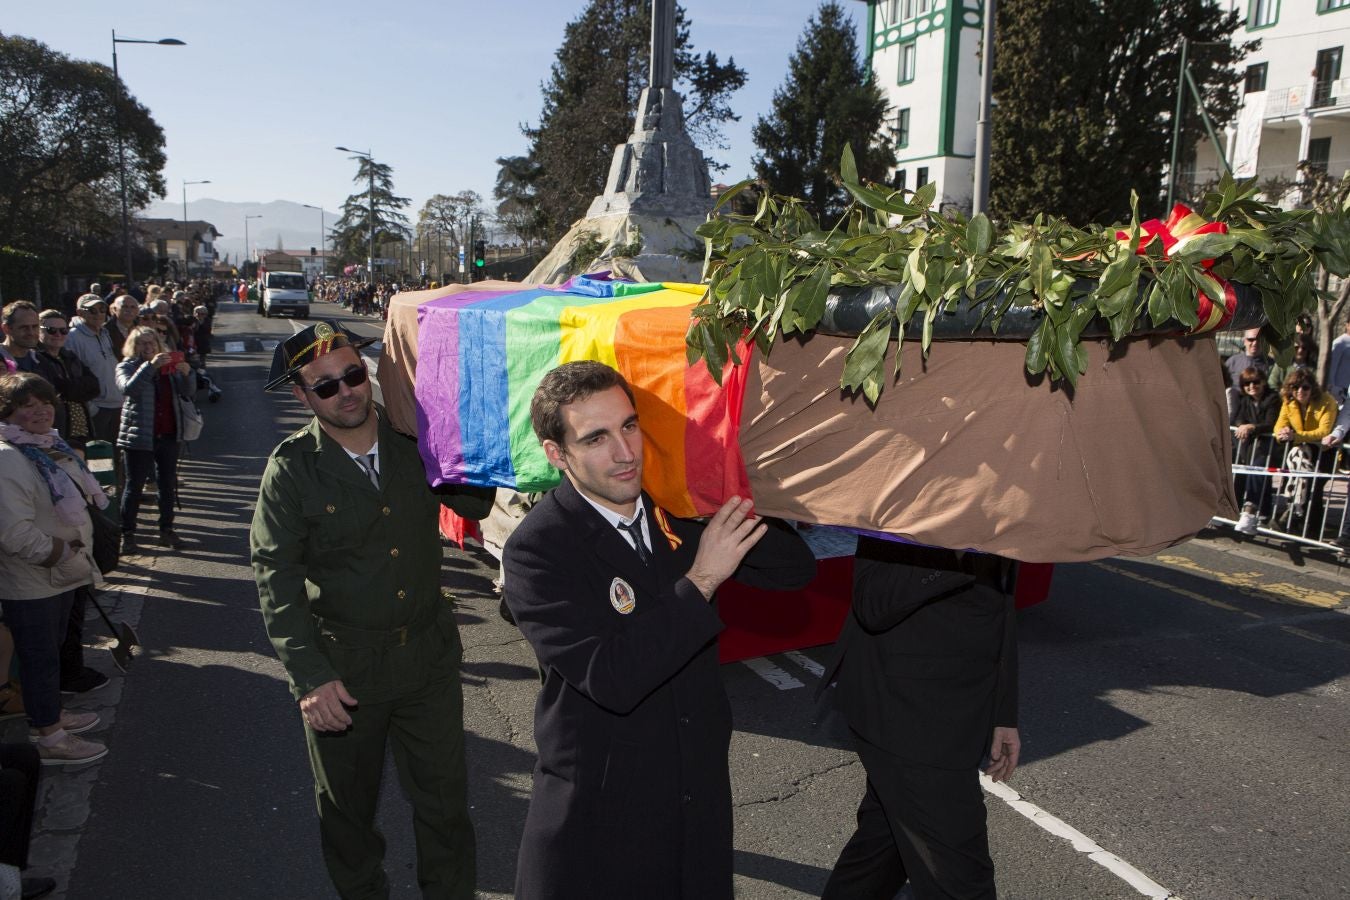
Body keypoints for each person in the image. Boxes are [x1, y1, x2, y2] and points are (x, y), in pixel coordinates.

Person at [502, 361, 816, 900]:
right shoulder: (538, 550)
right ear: (558, 454)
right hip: (602, 820)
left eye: (629, 426)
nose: (625, 452)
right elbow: (611, 676)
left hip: (695, 803)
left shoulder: (676, 509)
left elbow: (794, 572)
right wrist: (702, 580)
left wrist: (736, 482)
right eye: (596, 438)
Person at [250, 321, 487, 900]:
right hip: (345, 672)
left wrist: (459, 437)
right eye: (325, 386)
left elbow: (474, 502)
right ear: (302, 396)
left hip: (426, 661)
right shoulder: (292, 469)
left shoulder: (415, 439)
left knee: (445, 808)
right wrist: (310, 677)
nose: (346, 391)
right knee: (347, 815)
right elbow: (274, 577)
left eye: (354, 374)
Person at [821, 539, 1019, 900]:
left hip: (962, 711)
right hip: (906, 713)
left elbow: (1000, 607)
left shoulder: (1003, 498)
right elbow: (872, 602)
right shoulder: (904, 498)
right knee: (960, 877)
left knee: (882, 854)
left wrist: (1004, 712)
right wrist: (958, 550)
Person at [0, 373, 109, 766]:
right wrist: (60, 552)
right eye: (27, 405)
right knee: (39, 659)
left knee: (50, 655)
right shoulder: (7, 456)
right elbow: (12, 532)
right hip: (34, 579)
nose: (40, 410)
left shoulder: (44, 445)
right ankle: (51, 740)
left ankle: (48, 719)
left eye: (44, 402)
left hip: (59, 575)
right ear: (8, 413)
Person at [114, 325, 194, 552]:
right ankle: (127, 533)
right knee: (134, 486)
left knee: (167, 485)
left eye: (152, 343)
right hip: (139, 435)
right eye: (142, 343)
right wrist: (149, 367)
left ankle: (166, 529)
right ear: (134, 346)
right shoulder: (127, 366)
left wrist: (188, 373)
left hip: (168, 433)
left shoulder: (168, 367)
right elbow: (129, 389)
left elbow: (187, 392)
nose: (148, 347)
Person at [1273, 370, 1339, 535]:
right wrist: (1283, 433)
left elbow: (1323, 431)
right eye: (1295, 387)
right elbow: (1279, 425)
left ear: (1312, 388)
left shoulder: (1327, 401)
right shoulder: (1288, 402)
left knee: (1314, 490)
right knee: (1297, 484)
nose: (1300, 391)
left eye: (1305, 387)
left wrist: (1295, 436)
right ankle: (1294, 519)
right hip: (1299, 452)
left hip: (1323, 451)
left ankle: (1311, 529)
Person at [34, 311, 100, 454]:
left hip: (82, 430)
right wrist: (72, 387)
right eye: (51, 330)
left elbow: (95, 387)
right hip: (56, 431)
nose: (58, 335)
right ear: (38, 331)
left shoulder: (70, 357)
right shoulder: (35, 359)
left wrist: (67, 387)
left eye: (63, 331)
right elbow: (51, 391)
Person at [64, 295, 123, 448]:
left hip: (116, 404)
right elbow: (72, 374)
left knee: (116, 456)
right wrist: (91, 407)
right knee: (99, 458)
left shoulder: (105, 333)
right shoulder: (72, 338)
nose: (98, 314)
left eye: (102, 309)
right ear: (80, 312)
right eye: (92, 310)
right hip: (97, 408)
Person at [1231, 366, 1283, 534]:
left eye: (1256, 382)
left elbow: (1271, 423)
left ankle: (1249, 510)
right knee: (1258, 476)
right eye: (1247, 383)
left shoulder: (1273, 399)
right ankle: (1264, 514)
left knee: (1257, 471)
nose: (1252, 386)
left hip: (1269, 447)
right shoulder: (1245, 400)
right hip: (1251, 447)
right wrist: (1241, 426)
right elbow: (1239, 417)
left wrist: (1251, 427)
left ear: (1263, 382)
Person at [105, 295, 139, 361]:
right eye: (124, 307)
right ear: (115, 309)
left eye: (133, 307)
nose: (129, 310)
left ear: (137, 311)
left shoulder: (142, 329)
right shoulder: (105, 331)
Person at [1327, 319, 1350, 404]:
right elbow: (1331, 367)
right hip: (1339, 393)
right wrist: (1334, 389)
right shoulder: (1340, 342)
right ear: (1347, 325)